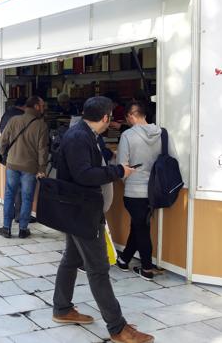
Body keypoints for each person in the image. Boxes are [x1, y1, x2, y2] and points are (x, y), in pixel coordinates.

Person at [51, 96, 153, 343]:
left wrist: (113, 159)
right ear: (106, 118)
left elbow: (94, 159)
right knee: (98, 269)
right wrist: (119, 171)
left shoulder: (88, 135)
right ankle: (117, 328)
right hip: (82, 211)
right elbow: (84, 174)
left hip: (80, 209)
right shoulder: (78, 137)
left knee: (71, 258)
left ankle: (62, 308)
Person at [116, 101, 176, 281]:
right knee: (139, 225)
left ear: (131, 116)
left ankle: (147, 269)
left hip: (134, 191)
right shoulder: (163, 133)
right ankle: (124, 259)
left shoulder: (127, 135)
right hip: (156, 191)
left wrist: (124, 178)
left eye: (127, 118)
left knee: (141, 228)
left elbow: (122, 166)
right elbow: (171, 158)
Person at [0, 96, 48, 239]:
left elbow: (3, 141)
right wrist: (42, 168)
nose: (44, 108)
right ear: (37, 107)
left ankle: (6, 228)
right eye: (42, 105)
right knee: (27, 198)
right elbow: (42, 150)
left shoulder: (14, 120)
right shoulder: (41, 126)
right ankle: (23, 229)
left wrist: (5, 156)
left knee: (9, 195)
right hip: (30, 167)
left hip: (12, 164)